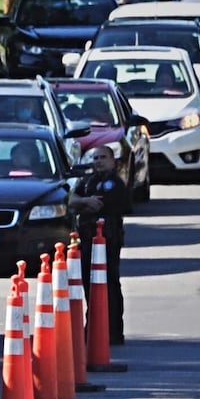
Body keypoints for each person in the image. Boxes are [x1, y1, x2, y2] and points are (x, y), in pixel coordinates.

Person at [68, 146, 130, 345]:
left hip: (109, 239)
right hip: (87, 239)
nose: (99, 161)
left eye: (103, 157)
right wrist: (85, 200)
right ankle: (93, 327)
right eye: (95, 158)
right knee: (88, 283)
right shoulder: (87, 181)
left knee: (109, 283)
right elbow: (71, 200)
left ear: (113, 161)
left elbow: (101, 203)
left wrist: (83, 203)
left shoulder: (115, 183)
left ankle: (113, 330)